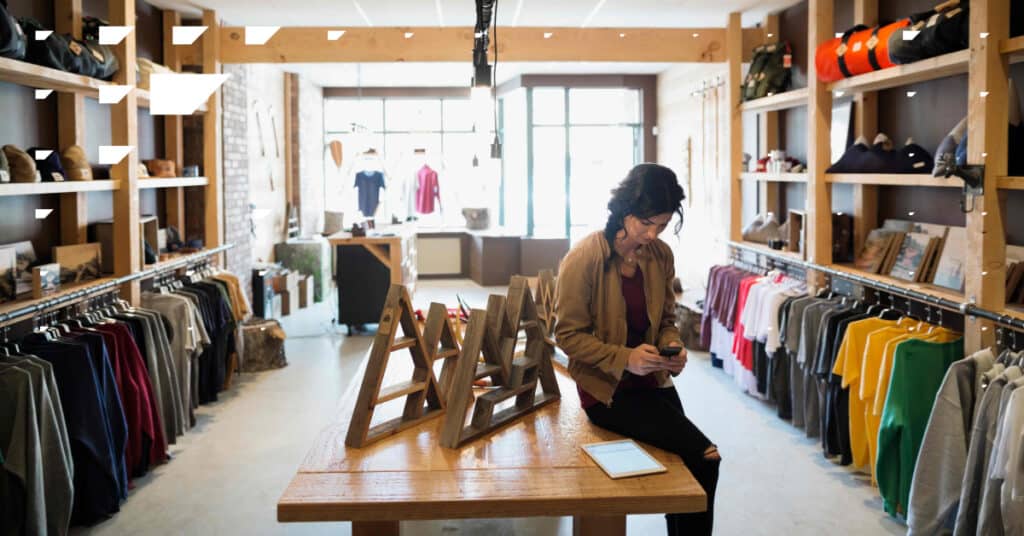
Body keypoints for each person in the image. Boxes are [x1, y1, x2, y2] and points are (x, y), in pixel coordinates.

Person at [554, 163, 720, 536]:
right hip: (606, 389)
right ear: (624, 209)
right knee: (705, 456)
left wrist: (671, 346)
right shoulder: (585, 258)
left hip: (651, 380)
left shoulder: (659, 256)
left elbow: (666, 319)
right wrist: (625, 358)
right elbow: (567, 335)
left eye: (662, 225)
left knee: (689, 464)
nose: (652, 234)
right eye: (645, 223)